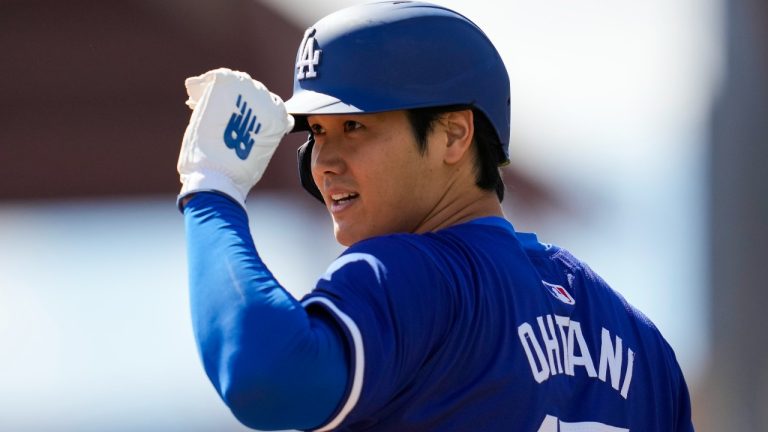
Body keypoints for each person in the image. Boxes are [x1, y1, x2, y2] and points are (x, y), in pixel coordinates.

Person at [176, 2, 695, 431]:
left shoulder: (413, 275)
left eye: (354, 127)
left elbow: (262, 375)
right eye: (316, 131)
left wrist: (212, 191)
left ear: (453, 135)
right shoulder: (643, 348)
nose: (325, 161)